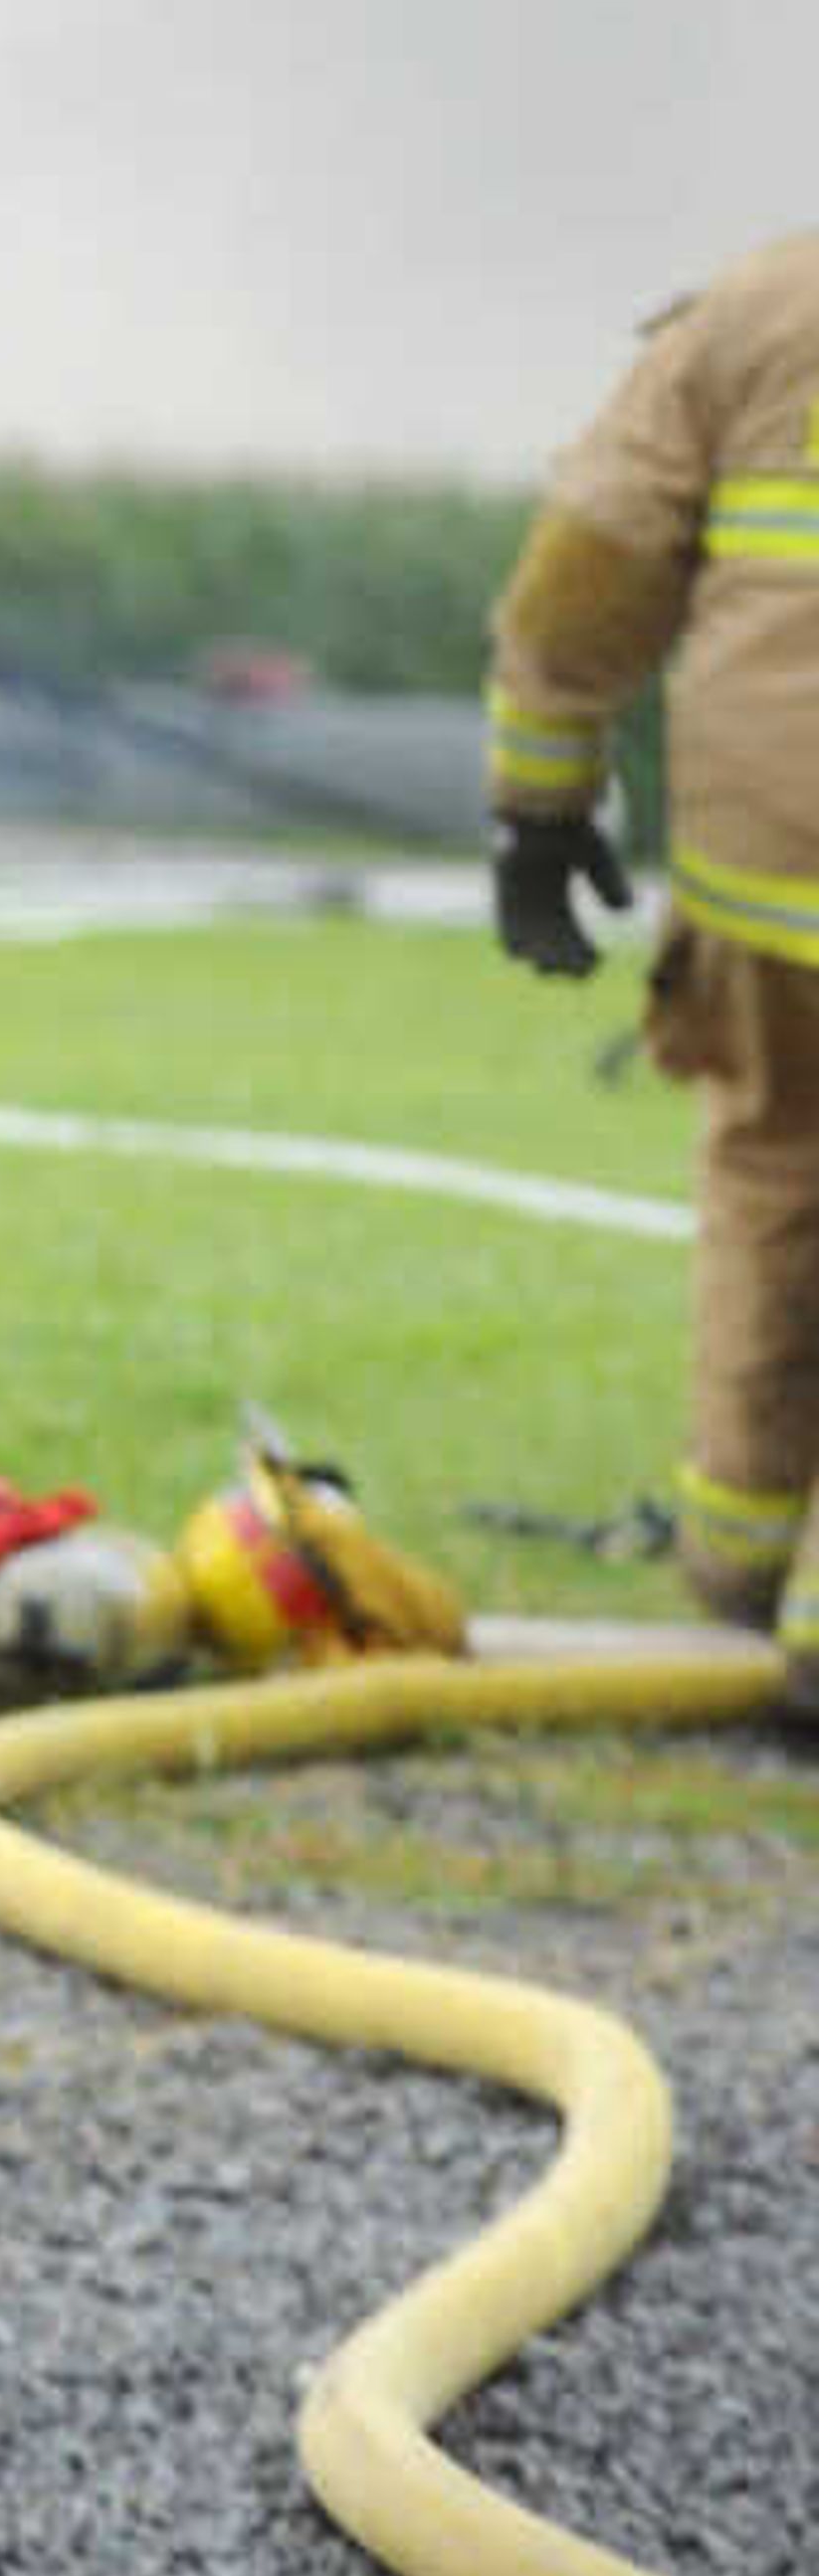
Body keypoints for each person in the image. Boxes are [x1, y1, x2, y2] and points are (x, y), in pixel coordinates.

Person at [487, 228, 819, 1709]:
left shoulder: (758, 309)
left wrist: (540, 809)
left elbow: (586, 569)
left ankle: (742, 1559)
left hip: (771, 870)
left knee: (772, 1168)